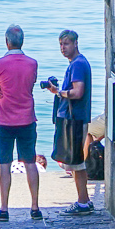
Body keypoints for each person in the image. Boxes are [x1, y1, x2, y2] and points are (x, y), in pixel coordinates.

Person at [0, 23, 41, 222]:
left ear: (7, 42)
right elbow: (31, 84)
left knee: (4, 164)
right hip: (27, 118)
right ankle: (35, 207)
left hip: (5, 119)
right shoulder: (32, 63)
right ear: (22, 41)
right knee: (30, 162)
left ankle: (4, 208)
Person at [42, 29, 95, 213]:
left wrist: (59, 92)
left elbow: (77, 92)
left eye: (66, 44)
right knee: (75, 163)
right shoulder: (77, 63)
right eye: (61, 44)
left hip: (75, 119)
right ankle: (85, 200)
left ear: (75, 44)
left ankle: (82, 203)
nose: (63, 48)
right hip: (75, 118)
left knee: (76, 163)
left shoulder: (78, 64)